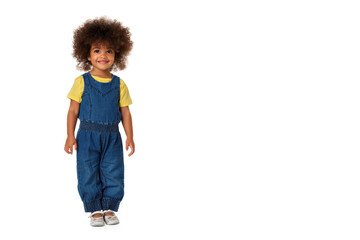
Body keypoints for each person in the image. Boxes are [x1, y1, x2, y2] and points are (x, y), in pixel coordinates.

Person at [64, 16, 135, 227]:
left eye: (109, 51)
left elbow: (126, 112)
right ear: (87, 54)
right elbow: (72, 110)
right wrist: (69, 135)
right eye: (97, 50)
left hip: (113, 135)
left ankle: (110, 206)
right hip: (87, 135)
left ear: (116, 55)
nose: (103, 55)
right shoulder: (81, 81)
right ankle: (94, 208)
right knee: (87, 169)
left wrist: (130, 136)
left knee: (113, 169)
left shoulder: (119, 84)